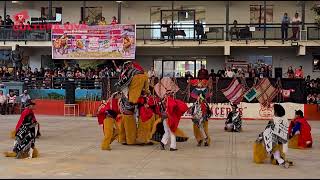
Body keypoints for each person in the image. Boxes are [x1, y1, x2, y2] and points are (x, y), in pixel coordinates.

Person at [253, 104, 293, 168]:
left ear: (276, 112)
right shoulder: (285, 119)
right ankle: (279, 159)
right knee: (274, 145)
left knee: (260, 140)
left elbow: (267, 130)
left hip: (274, 140)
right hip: (282, 140)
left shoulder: (273, 120)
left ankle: (280, 160)